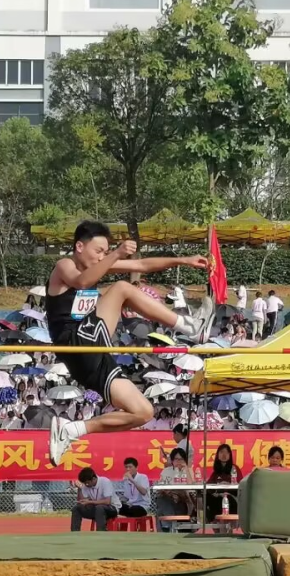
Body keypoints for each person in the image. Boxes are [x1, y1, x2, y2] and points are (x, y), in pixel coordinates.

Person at [46, 221, 212, 466]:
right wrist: (115, 254)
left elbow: (141, 265)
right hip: (75, 340)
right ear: (79, 247)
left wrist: (183, 260)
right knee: (122, 288)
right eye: (98, 251)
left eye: (105, 252)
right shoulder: (65, 265)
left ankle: (72, 430)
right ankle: (190, 327)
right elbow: (81, 282)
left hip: (92, 350)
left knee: (143, 412)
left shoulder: (98, 264)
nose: (101, 257)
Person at [71, 467, 121, 531]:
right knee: (76, 508)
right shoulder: (86, 485)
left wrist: (89, 502)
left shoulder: (105, 481)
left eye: (87, 483)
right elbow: (82, 501)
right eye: (84, 483)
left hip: (112, 508)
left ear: (93, 479)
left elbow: (107, 501)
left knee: (99, 508)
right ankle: (75, 532)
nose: (86, 485)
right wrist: (79, 489)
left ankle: (101, 532)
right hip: (96, 509)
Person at [155, 448, 194, 531]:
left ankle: (168, 527)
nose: (178, 461)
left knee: (166, 506)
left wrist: (186, 469)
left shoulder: (188, 470)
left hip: (183, 500)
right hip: (169, 497)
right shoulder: (166, 471)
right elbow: (161, 486)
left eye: (181, 459)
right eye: (176, 459)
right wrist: (171, 493)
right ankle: (170, 525)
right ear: (172, 460)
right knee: (162, 500)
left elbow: (191, 486)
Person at [206, 444, 243, 521]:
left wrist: (227, 485)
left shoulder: (234, 469)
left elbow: (241, 487)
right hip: (218, 497)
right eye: (222, 452)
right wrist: (218, 492)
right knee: (207, 498)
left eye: (227, 452)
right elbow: (209, 487)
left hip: (231, 498)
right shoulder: (216, 472)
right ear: (217, 455)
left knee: (219, 501)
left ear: (230, 455)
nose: (224, 455)